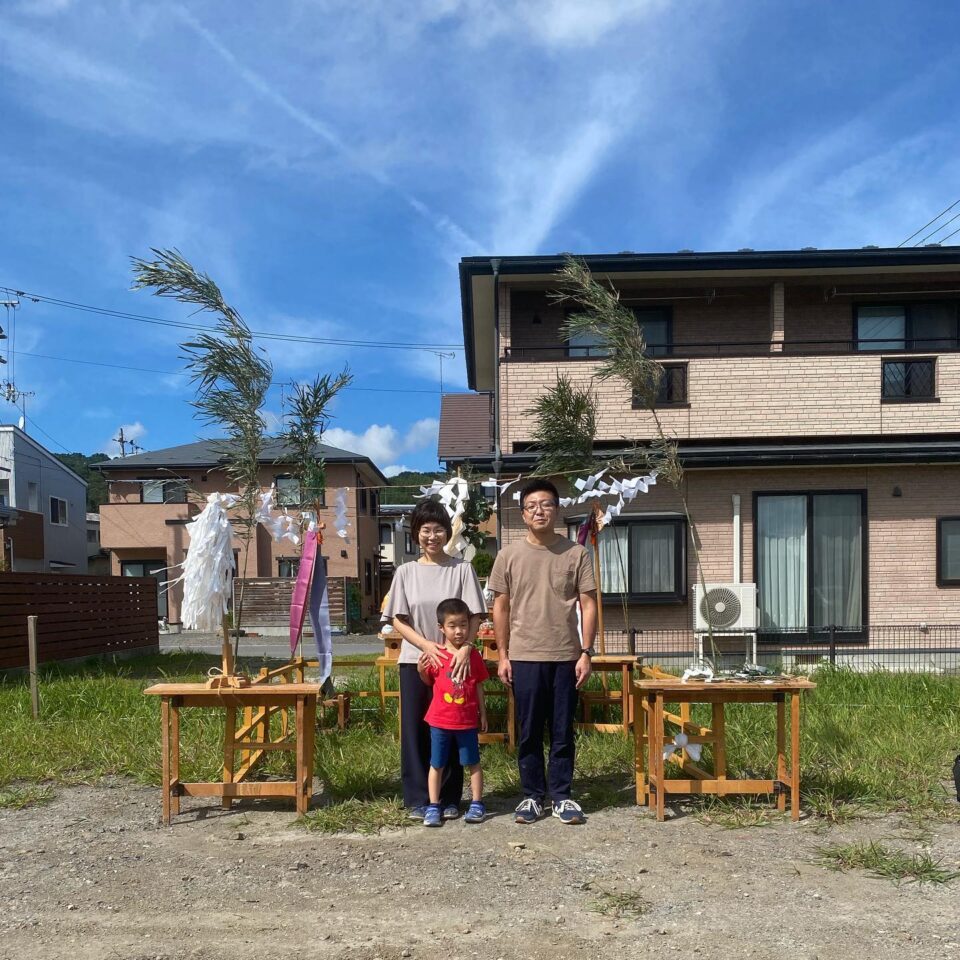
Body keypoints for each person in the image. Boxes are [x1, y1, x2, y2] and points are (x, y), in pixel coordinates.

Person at [488, 478, 598, 825]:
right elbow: (500, 607)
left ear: (557, 509)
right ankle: (532, 796)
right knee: (529, 730)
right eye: (532, 506)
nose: (539, 511)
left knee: (563, 729)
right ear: (523, 514)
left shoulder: (576, 553)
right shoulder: (508, 556)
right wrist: (503, 655)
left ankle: (562, 795)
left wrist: (586, 652)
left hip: (566, 655)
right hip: (524, 655)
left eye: (546, 504)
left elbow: (588, 604)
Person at [384, 500, 487, 820]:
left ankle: (451, 797)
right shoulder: (406, 571)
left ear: (448, 532)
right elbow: (396, 618)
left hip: (455, 663)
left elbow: (475, 615)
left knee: (454, 726)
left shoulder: (462, 569)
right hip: (415, 659)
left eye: (439, 529)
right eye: (425, 530)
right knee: (416, 729)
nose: (432, 536)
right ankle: (419, 798)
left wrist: (466, 647)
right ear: (416, 533)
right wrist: (426, 646)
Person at [417, 598, 489, 827]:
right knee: (436, 763)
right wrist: (421, 670)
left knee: (473, 762)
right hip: (440, 721)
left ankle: (477, 803)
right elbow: (429, 681)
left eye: (463, 625)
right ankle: (433, 805)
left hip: (467, 721)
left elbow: (479, 685)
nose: (459, 631)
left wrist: (483, 713)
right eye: (452, 626)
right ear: (441, 628)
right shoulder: (436, 654)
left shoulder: (473, 655)